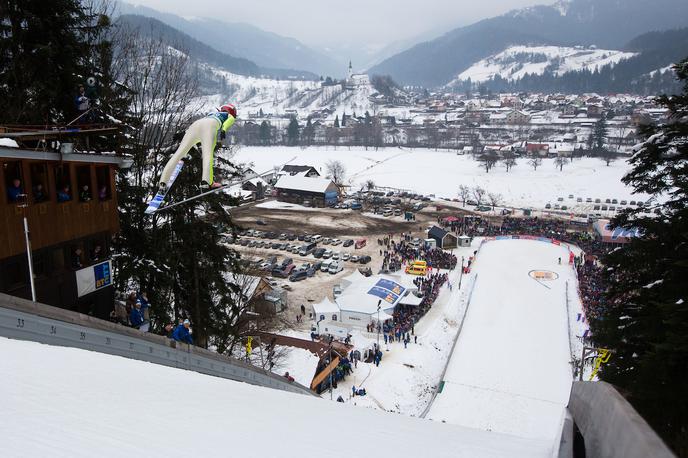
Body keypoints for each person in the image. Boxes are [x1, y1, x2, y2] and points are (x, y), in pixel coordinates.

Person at [158, 104, 237, 192]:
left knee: (177, 155)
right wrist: (223, 129)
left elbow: (199, 125)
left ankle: (163, 183)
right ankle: (206, 182)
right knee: (207, 155)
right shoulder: (227, 115)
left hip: (195, 126)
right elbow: (230, 120)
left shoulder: (211, 114)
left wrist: (183, 133)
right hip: (210, 126)